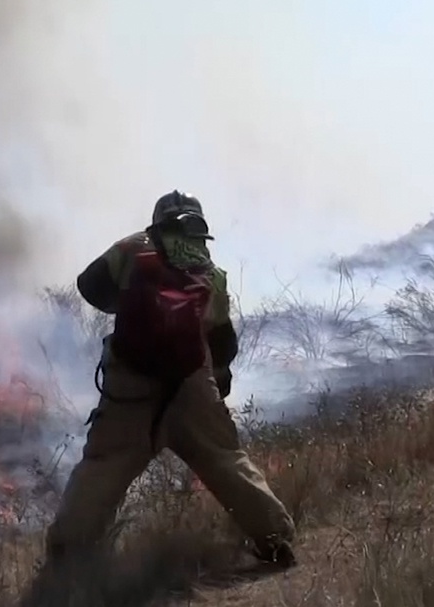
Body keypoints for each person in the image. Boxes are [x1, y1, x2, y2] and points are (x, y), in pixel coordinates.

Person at [44, 190, 296, 567]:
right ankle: (276, 541)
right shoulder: (211, 272)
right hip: (193, 385)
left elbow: (88, 285)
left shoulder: (132, 248)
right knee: (227, 461)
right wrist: (214, 391)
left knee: (103, 466)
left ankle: (67, 558)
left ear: (158, 221)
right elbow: (223, 341)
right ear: (199, 228)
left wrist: (128, 304)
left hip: (130, 388)